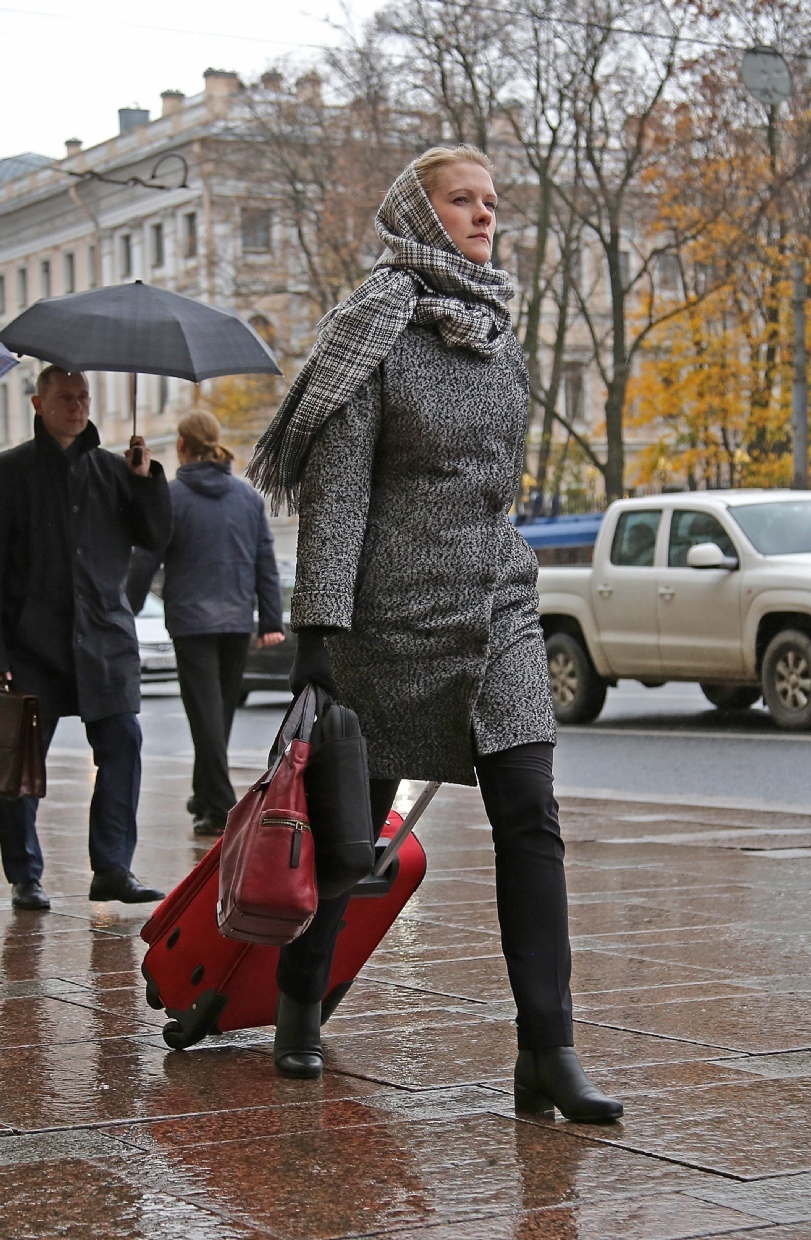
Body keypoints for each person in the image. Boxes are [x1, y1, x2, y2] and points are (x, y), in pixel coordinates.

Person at [246, 145, 623, 1122]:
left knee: (530, 816)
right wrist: (318, 640)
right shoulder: (371, 329)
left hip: (496, 601)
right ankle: (298, 1003)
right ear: (419, 214)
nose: (483, 215)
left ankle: (547, 1048)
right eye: (462, 200)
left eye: (491, 202)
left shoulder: (500, 328)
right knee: (349, 838)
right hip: (386, 620)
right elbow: (337, 496)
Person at [0, 366, 173, 911]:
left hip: (103, 638)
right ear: (38, 403)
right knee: (22, 763)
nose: (77, 406)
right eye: (66, 397)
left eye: (84, 397)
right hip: (31, 643)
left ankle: (112, 867)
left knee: (123, 744)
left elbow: (156, 536)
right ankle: (24, 875)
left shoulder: (118, 471)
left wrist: (145, 480)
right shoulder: (4, 474)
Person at [126, 412, 284, 836]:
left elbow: (146, 556)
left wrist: (128, 606)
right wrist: (269, 618)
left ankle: (221, 808)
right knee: (219, 714)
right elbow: (265, 562)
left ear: (181, 446)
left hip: (192, 623)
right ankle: (204, 794)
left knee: (206, 717)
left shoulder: (171, 496)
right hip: (236, 621)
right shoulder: (247, 498)